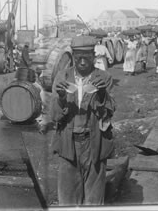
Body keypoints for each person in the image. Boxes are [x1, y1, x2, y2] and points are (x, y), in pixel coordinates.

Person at [49, 35, 115, 206]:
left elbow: (109, 113)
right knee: (68, 199)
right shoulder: (62, 77)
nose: (83, 62)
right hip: (68, 143)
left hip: (94, 143)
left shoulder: (104, 77)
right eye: (79, 57)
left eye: (87, 57)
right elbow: (54, 116)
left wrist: (101, 94)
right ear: (73, 56)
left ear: (94, 55)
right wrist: (62, 98)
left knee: (93, 200)